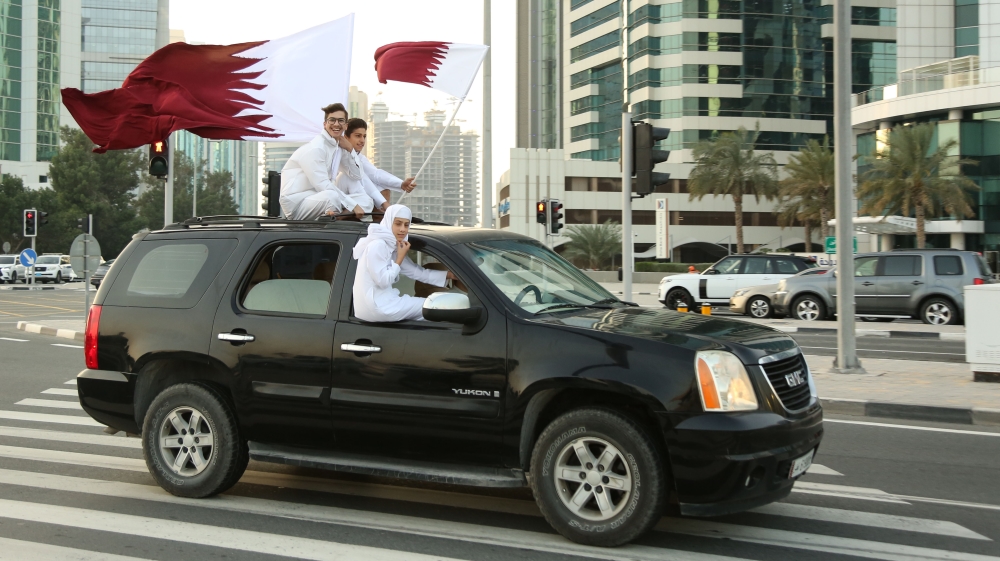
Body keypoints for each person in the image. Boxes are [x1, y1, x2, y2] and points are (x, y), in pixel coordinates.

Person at [352, 205, 456, 322]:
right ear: (389, 222)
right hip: (379, 306)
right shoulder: (378, 245)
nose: (403, 229)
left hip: (383, 303)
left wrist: (449, 275)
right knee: (435, 308)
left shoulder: (393, 246)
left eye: (406, 225)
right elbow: (383, 281)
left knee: (431, 310)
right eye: (398, 224)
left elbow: (416, 272)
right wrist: (400, 257)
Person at [278, 103, 365, 220]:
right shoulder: (316, 148)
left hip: (317, 197)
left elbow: (357, 175)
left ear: (345, 126)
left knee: (365, 199)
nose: (336, 124)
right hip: (297, 203)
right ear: (325, 124)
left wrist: (350, 149)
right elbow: (322, 185)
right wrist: (353, 205)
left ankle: (334, 217)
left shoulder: (338, 146)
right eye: (332, 120)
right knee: (332, 196)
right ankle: (334, 219)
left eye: (340, 121)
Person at [337, 118, 416, 214]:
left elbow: (375, 174)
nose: (362, 140)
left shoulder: (359, 157)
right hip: (333, 194)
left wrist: (401, 184)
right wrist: (384, 203)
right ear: (345, 137)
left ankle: (378, 222)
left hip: (351, 195)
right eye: (358, 136)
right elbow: (361, 177)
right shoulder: (339, 153)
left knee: (382, 188)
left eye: (364, 136)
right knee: (355, 178)